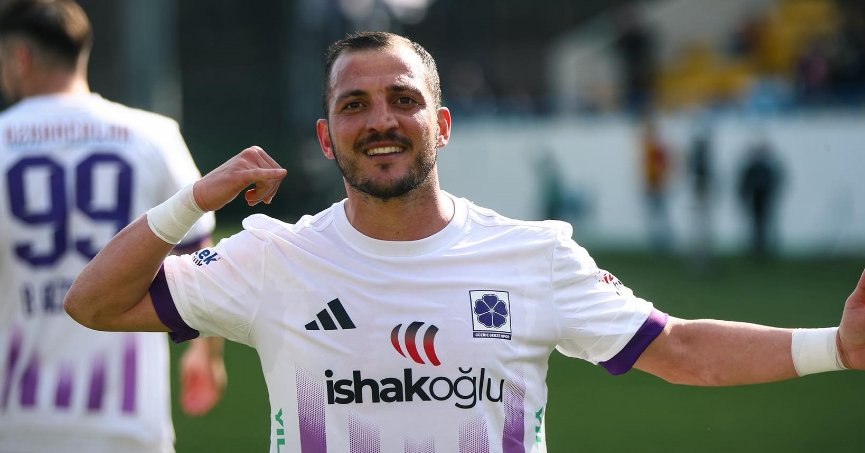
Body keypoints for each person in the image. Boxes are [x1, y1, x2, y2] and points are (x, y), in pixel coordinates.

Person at [64, 31, 865, 452]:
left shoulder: (534, 255)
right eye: (354, 105)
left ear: (440, 124)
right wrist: (193, 200)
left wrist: (835, 346)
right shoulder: (270, 256)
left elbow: (679, 347)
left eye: (402, 98)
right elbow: (93, 302)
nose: (380, 119)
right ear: (325, 136)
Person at [0, 1, 225, 452]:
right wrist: (206, 351)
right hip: (128, 418)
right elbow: (202, 259)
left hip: (16, 416)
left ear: (20, 57)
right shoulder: (153, 135)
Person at [738, 135, 784, 258]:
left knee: (764, 223)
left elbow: (773, 182)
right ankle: (757, 247)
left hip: (764, 198)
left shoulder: (765, 167)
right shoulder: (756, 167)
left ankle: (763, 247)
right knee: (756, 223)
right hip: (756, 198)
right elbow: (746, 183)